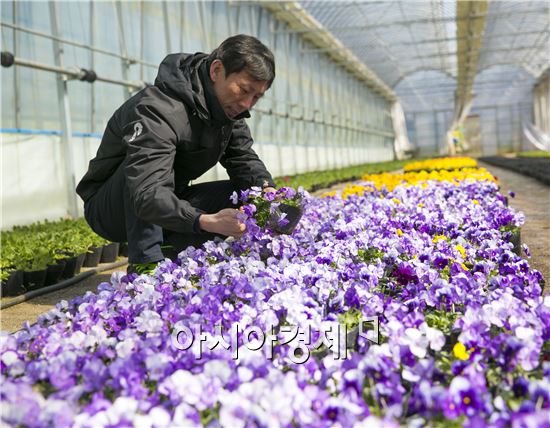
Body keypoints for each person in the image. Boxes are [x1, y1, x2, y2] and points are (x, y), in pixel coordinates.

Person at [76, 34, 276, 273]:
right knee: (145, 172)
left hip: (168, 197)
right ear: (216, 70)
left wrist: (268, 191)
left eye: (256, 96)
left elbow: (242, 158)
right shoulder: (159, 109)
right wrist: (206, 221)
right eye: (244, 90)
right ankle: (145, 262)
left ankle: (174, 251)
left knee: (247, 195)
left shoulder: (228, 111)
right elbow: (148, 191)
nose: (247, 103)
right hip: (113, 208)